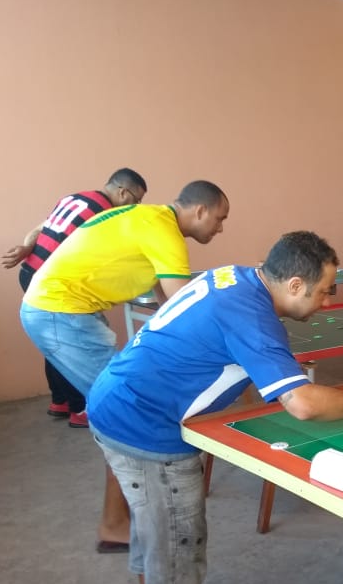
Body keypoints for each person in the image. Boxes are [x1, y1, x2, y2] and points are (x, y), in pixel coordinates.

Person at [87, 231, 343, 584]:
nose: (328, 303)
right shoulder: (254, 317)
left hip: (115, 405)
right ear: (294, 284)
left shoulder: (235, 278)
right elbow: (304, 404)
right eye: (325, 291)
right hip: (146, 427)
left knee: (155, 536)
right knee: (177, 543)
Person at [20, 180, 230, 554]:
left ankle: (117, 519)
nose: (220, 227)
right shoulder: (164, 231)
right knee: (125, 411)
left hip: (62, 308)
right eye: (219, 218)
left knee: (121, 409)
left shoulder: (147, 217)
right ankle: (115, 523)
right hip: (60, 313)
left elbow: (166, 302)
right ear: (200, 211)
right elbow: (184, 306)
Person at [1, 168, 148, 427]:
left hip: (30, 270)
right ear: (122, 192)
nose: (135, 206)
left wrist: (26, 247)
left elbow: (41, 228)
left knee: (55, 340)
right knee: (72, 340)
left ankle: (60, 401)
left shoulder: (74, 198)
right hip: (53, 281)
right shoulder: (105, 212)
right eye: (136, 200)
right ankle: (80, 408)